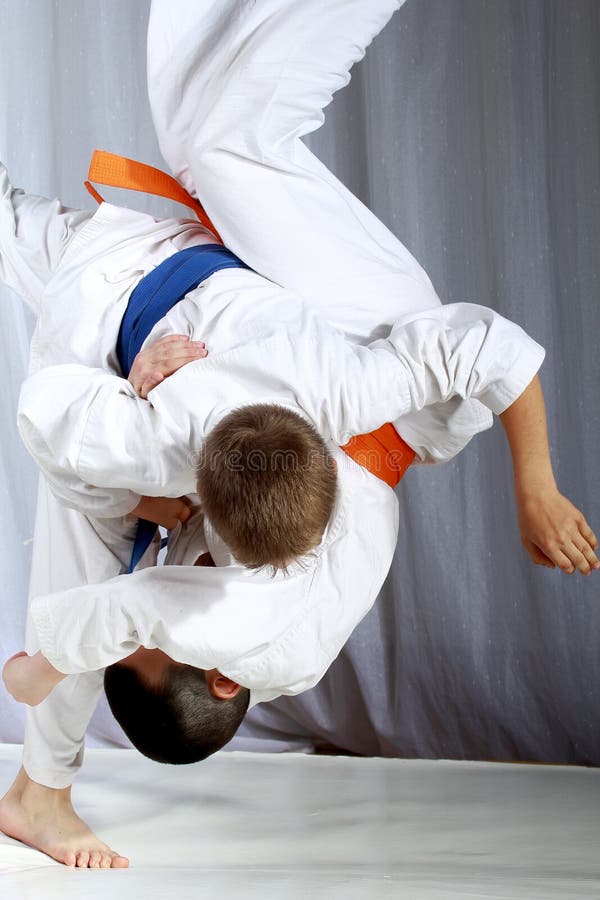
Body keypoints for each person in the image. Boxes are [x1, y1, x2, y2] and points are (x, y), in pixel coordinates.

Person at [2, 0, 598, 870]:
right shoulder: (246, 623)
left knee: (203, 133)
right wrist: (536, 489)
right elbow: (120, 609)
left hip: (217, 329)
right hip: (365, 359)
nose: (156, 600)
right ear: (216, 674)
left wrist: (137, 402)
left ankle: (39, 791)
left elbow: (140, 585)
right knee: (226, 141)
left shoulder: (234, 578)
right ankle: (40, 789)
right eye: (152, 646)